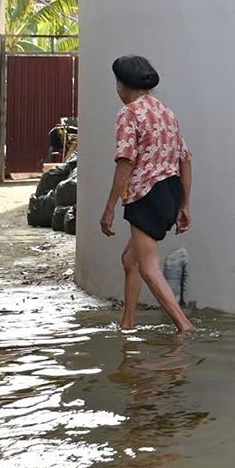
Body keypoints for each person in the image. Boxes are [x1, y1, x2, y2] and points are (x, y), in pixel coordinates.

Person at [97, 55, 196, 333]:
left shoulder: (128, 113)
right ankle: (127, 324)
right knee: (130, 259)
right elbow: (185, 159)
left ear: (121, 85)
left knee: (148, 268)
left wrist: (109, 208)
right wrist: (185, 204)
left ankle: (185, 327)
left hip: (145, 195)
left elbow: (125, 161)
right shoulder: (166, 112)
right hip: (170, 192)